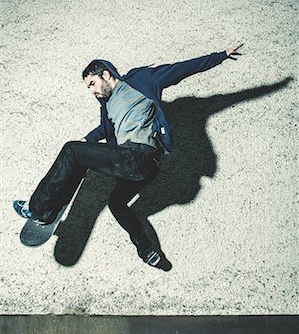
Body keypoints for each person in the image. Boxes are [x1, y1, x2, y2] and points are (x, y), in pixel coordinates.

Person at [13, 44, 243, 267]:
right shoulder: (108, 107)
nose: (92, 91)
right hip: (138, 168)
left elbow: (182, 68)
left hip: (139, 156)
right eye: (88, 88)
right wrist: (87, 140)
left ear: (105, 74)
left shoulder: (141, 81)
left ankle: (39, 210)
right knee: (117, 204)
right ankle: (147, 250)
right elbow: (105, 130)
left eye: (93, 84)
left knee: (71, 151)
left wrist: (220, 55)